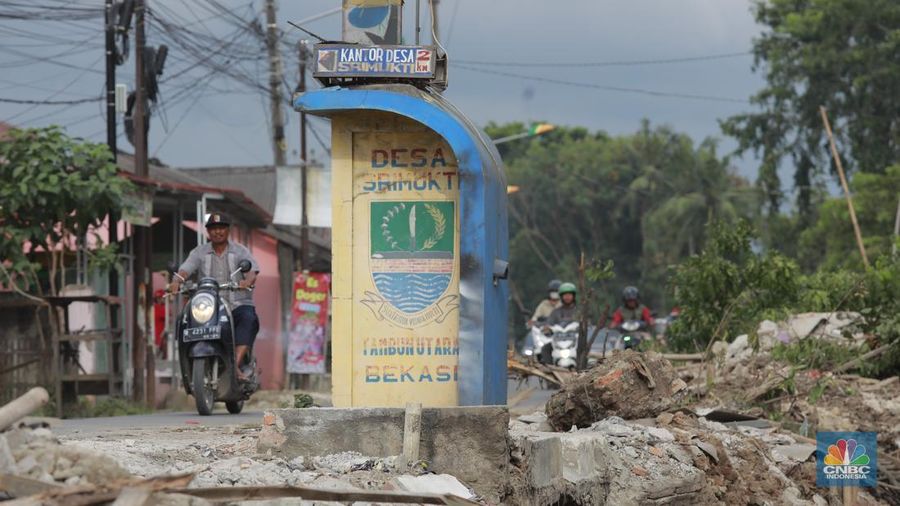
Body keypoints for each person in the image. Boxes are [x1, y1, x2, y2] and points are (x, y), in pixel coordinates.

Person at [168, 213, 260, 380]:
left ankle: (235, 365)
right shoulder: (199, 252)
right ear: (208, 232)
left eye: (221, 228)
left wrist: (247, 281)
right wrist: (176, 281)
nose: (218, 232)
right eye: (214, 229)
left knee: (249, 319)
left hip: (237, 303)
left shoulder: (240, 250)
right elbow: (186, 268)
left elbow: (252, 270)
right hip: (210, 307)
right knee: (184, 319)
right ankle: (188, 364)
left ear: (228, 230)